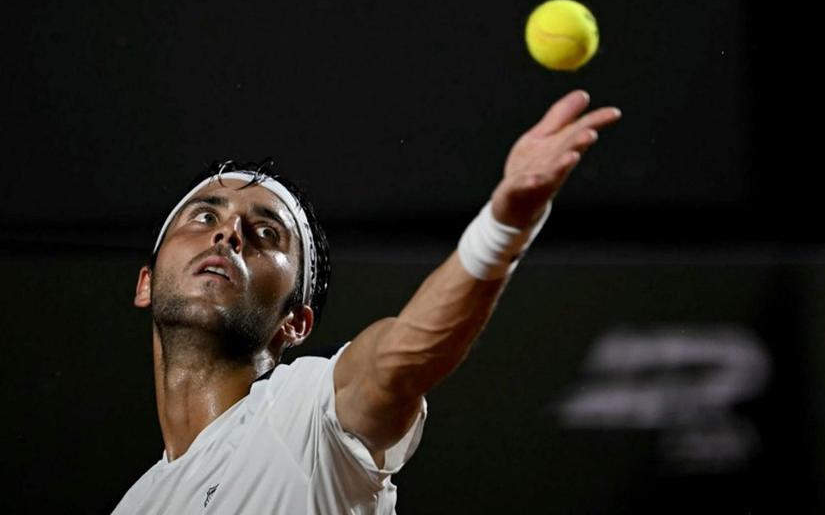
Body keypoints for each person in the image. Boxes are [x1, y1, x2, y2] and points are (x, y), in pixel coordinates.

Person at [113, 90, 622, 514]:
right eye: (204, 217)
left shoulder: (303, 415)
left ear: (294, 323)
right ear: (146, 284)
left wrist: (502, 228)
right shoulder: (135, 505)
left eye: (266, 232)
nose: (229, 234)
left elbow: (399, 360)